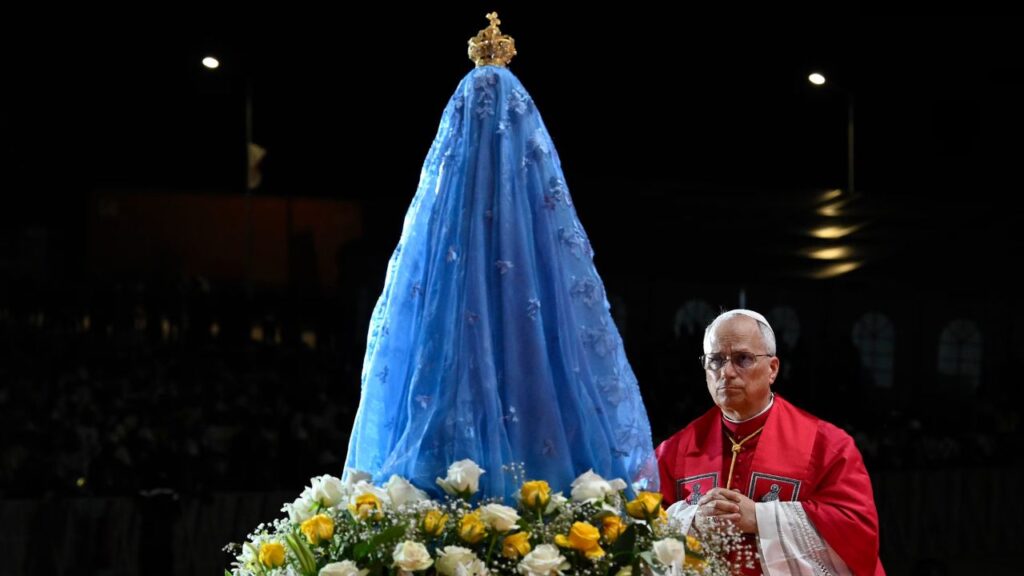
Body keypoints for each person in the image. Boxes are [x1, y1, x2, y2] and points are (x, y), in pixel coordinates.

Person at [656, 309, 884, 575]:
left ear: (772, 369)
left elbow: (857, 533)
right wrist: (693, 521)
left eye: (743, 359)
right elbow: (641, 528)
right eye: (715, 360)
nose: (726, 372)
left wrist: (760, 519)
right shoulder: (674, 451)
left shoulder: (827, 446)